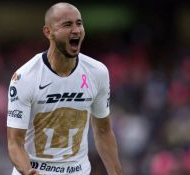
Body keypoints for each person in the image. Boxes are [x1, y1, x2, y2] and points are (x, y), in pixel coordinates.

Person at [7, 2, 122, 175]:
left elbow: (103, 131)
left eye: (79, 23)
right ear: (48, 32)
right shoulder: (24, 77)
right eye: (67, 25)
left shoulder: (98, 72)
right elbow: (15, 142)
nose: (76, 30)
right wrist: (27, 171)